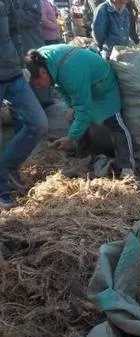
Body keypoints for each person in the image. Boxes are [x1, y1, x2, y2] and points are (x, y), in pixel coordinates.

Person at [25, 46, 135, 177]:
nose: (39, 87)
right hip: (83, 85)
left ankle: (127, 167)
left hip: (103, 88)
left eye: (38, 83)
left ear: (42, 72)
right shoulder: (41, 59)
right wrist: (71, 106)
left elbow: (84, 110)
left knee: (115, 125)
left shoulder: (71, 72)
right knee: (74, 117)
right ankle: (85, 155)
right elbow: (61, 87)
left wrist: (71, 138)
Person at [0, 0, 49, 208]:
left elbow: (14, 31)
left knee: (38, 123)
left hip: (12, 72)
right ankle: (2, 189)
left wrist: (21, 63)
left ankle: (7, 168)